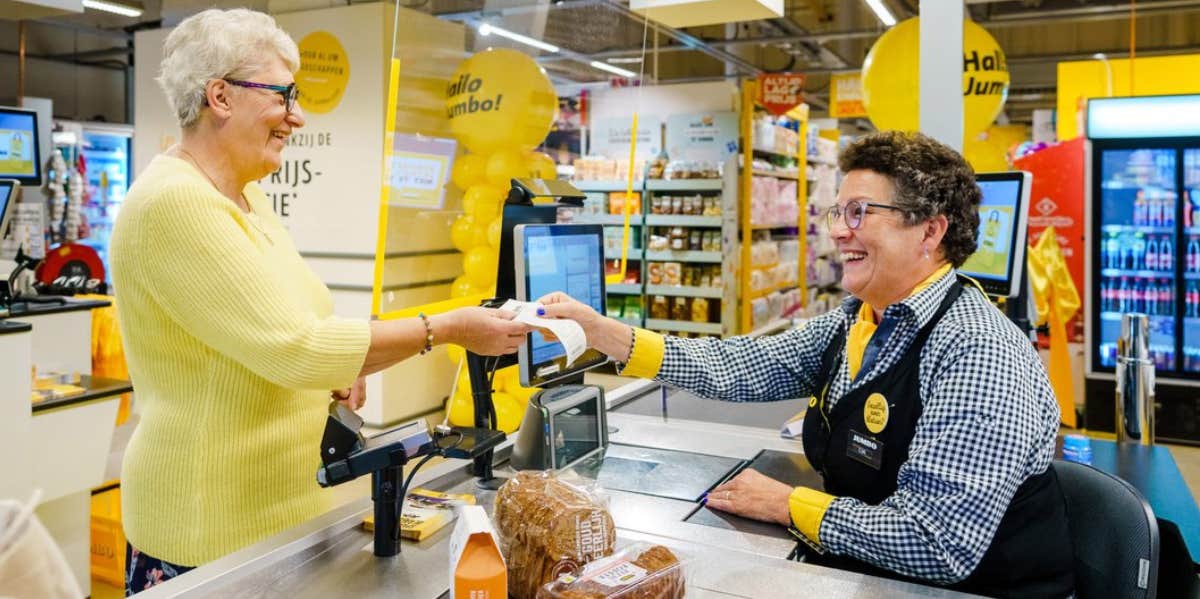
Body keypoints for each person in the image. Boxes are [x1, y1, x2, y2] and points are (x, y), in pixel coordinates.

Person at [539, 131, 1074, 598]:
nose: (839, 231)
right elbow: (738, 365)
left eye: (860, 212)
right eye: (838, 212)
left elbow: (934, 542)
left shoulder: (979, 352)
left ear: (930, 232)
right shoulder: (858, 322)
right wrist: (604, 333)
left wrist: (791, 504)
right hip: (878, 578)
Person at [110, 9, 532, 594]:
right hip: (209, 528)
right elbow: (298, 349)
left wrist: (343, 370)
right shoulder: (172, 204)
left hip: (280, 513)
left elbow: (298, 324)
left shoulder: (245, 200)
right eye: (284, 96)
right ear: (220, 97)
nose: (297, 116)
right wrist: (448, 327)